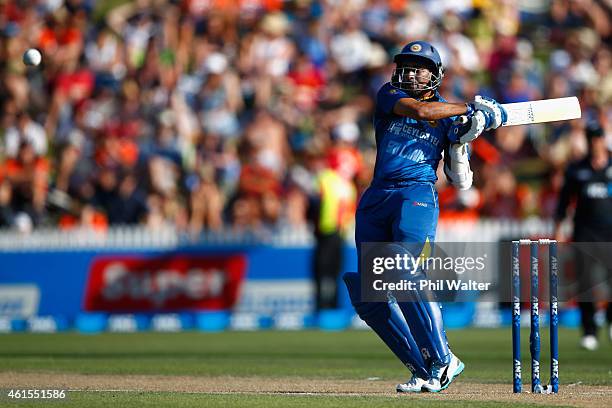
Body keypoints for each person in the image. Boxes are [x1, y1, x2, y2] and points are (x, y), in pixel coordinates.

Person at [342, 41, 507, 393]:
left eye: (420, 67)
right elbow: (420, 112)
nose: (411, 72)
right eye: (407, 65)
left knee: (402, 266)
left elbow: (462, 180)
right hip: (377, 196)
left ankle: (444, 358)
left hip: (415, 194)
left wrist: (469, 132)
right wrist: (472, 107)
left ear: (435, 74)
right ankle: (425, 368)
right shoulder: (390, 95)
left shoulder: (449, 117)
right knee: (368, 294)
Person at [554, 123, 612, 351]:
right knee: (586, 282)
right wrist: (559, 228)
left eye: (598, 139)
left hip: (610, 232)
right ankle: (589, 331)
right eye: (591, 139)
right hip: (585, 232)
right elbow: (564, 202)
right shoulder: (577, 169)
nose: (595, 143)